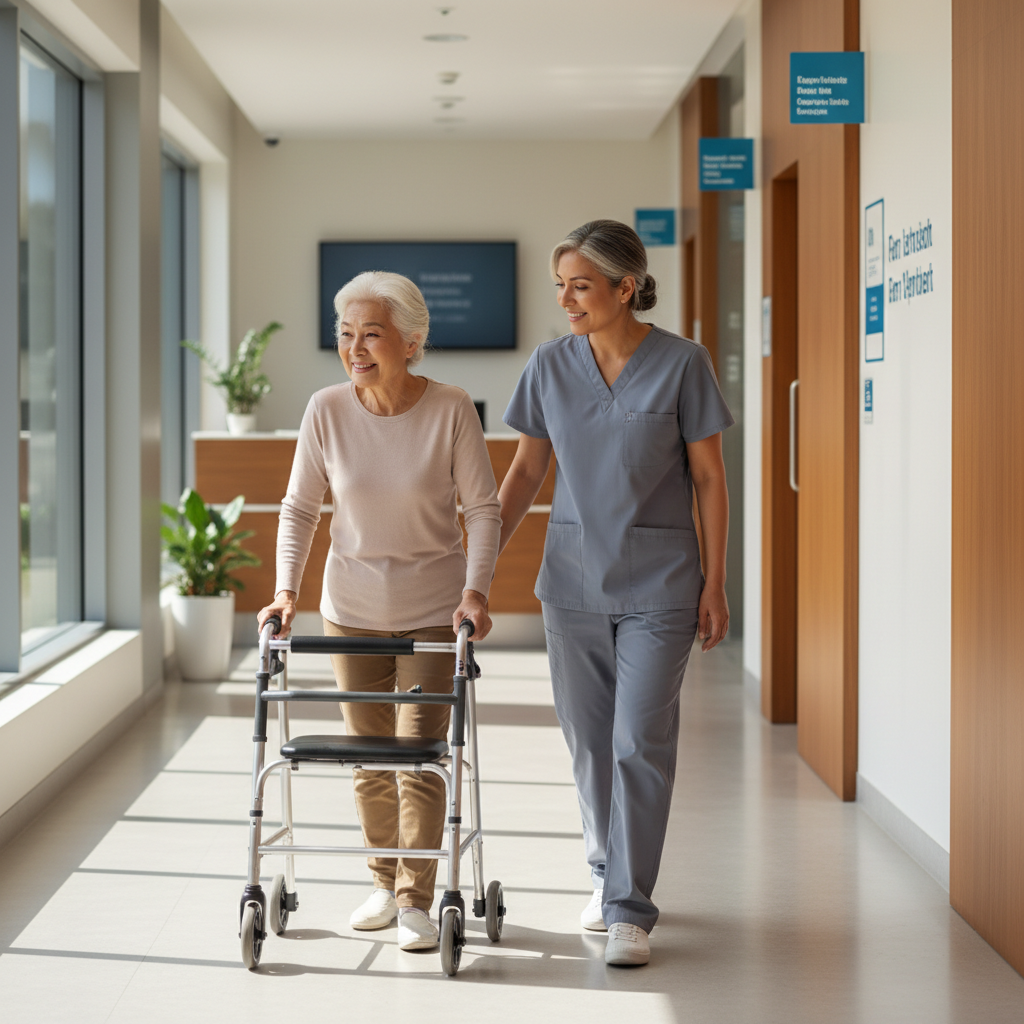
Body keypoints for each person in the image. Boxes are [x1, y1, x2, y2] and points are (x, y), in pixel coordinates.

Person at [498, 220, 733, 967]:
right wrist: (477, 565)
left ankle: (630, 907)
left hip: (663, 584)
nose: (565, 300)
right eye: (559, 286)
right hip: (570, 582)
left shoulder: (682, 363)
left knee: (639, 740)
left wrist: (717, 582)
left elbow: (708, 479)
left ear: (625, 288)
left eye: (580, 286)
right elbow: (525, 476)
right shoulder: (550, 366)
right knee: (590, 747)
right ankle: (604, 876)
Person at [257, 271, 500, 952]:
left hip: (433, 609)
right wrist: (286, 590)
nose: (354, 347)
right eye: (344, 333)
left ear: (411, 341)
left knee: (418, 756)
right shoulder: (326, 409)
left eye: (370, 333)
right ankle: (383, 878)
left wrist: (475, 592)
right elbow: (300, 508)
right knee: (368, 759)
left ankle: (416, 898)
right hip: (350, 610)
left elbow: (483, 509)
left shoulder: (451, 408)